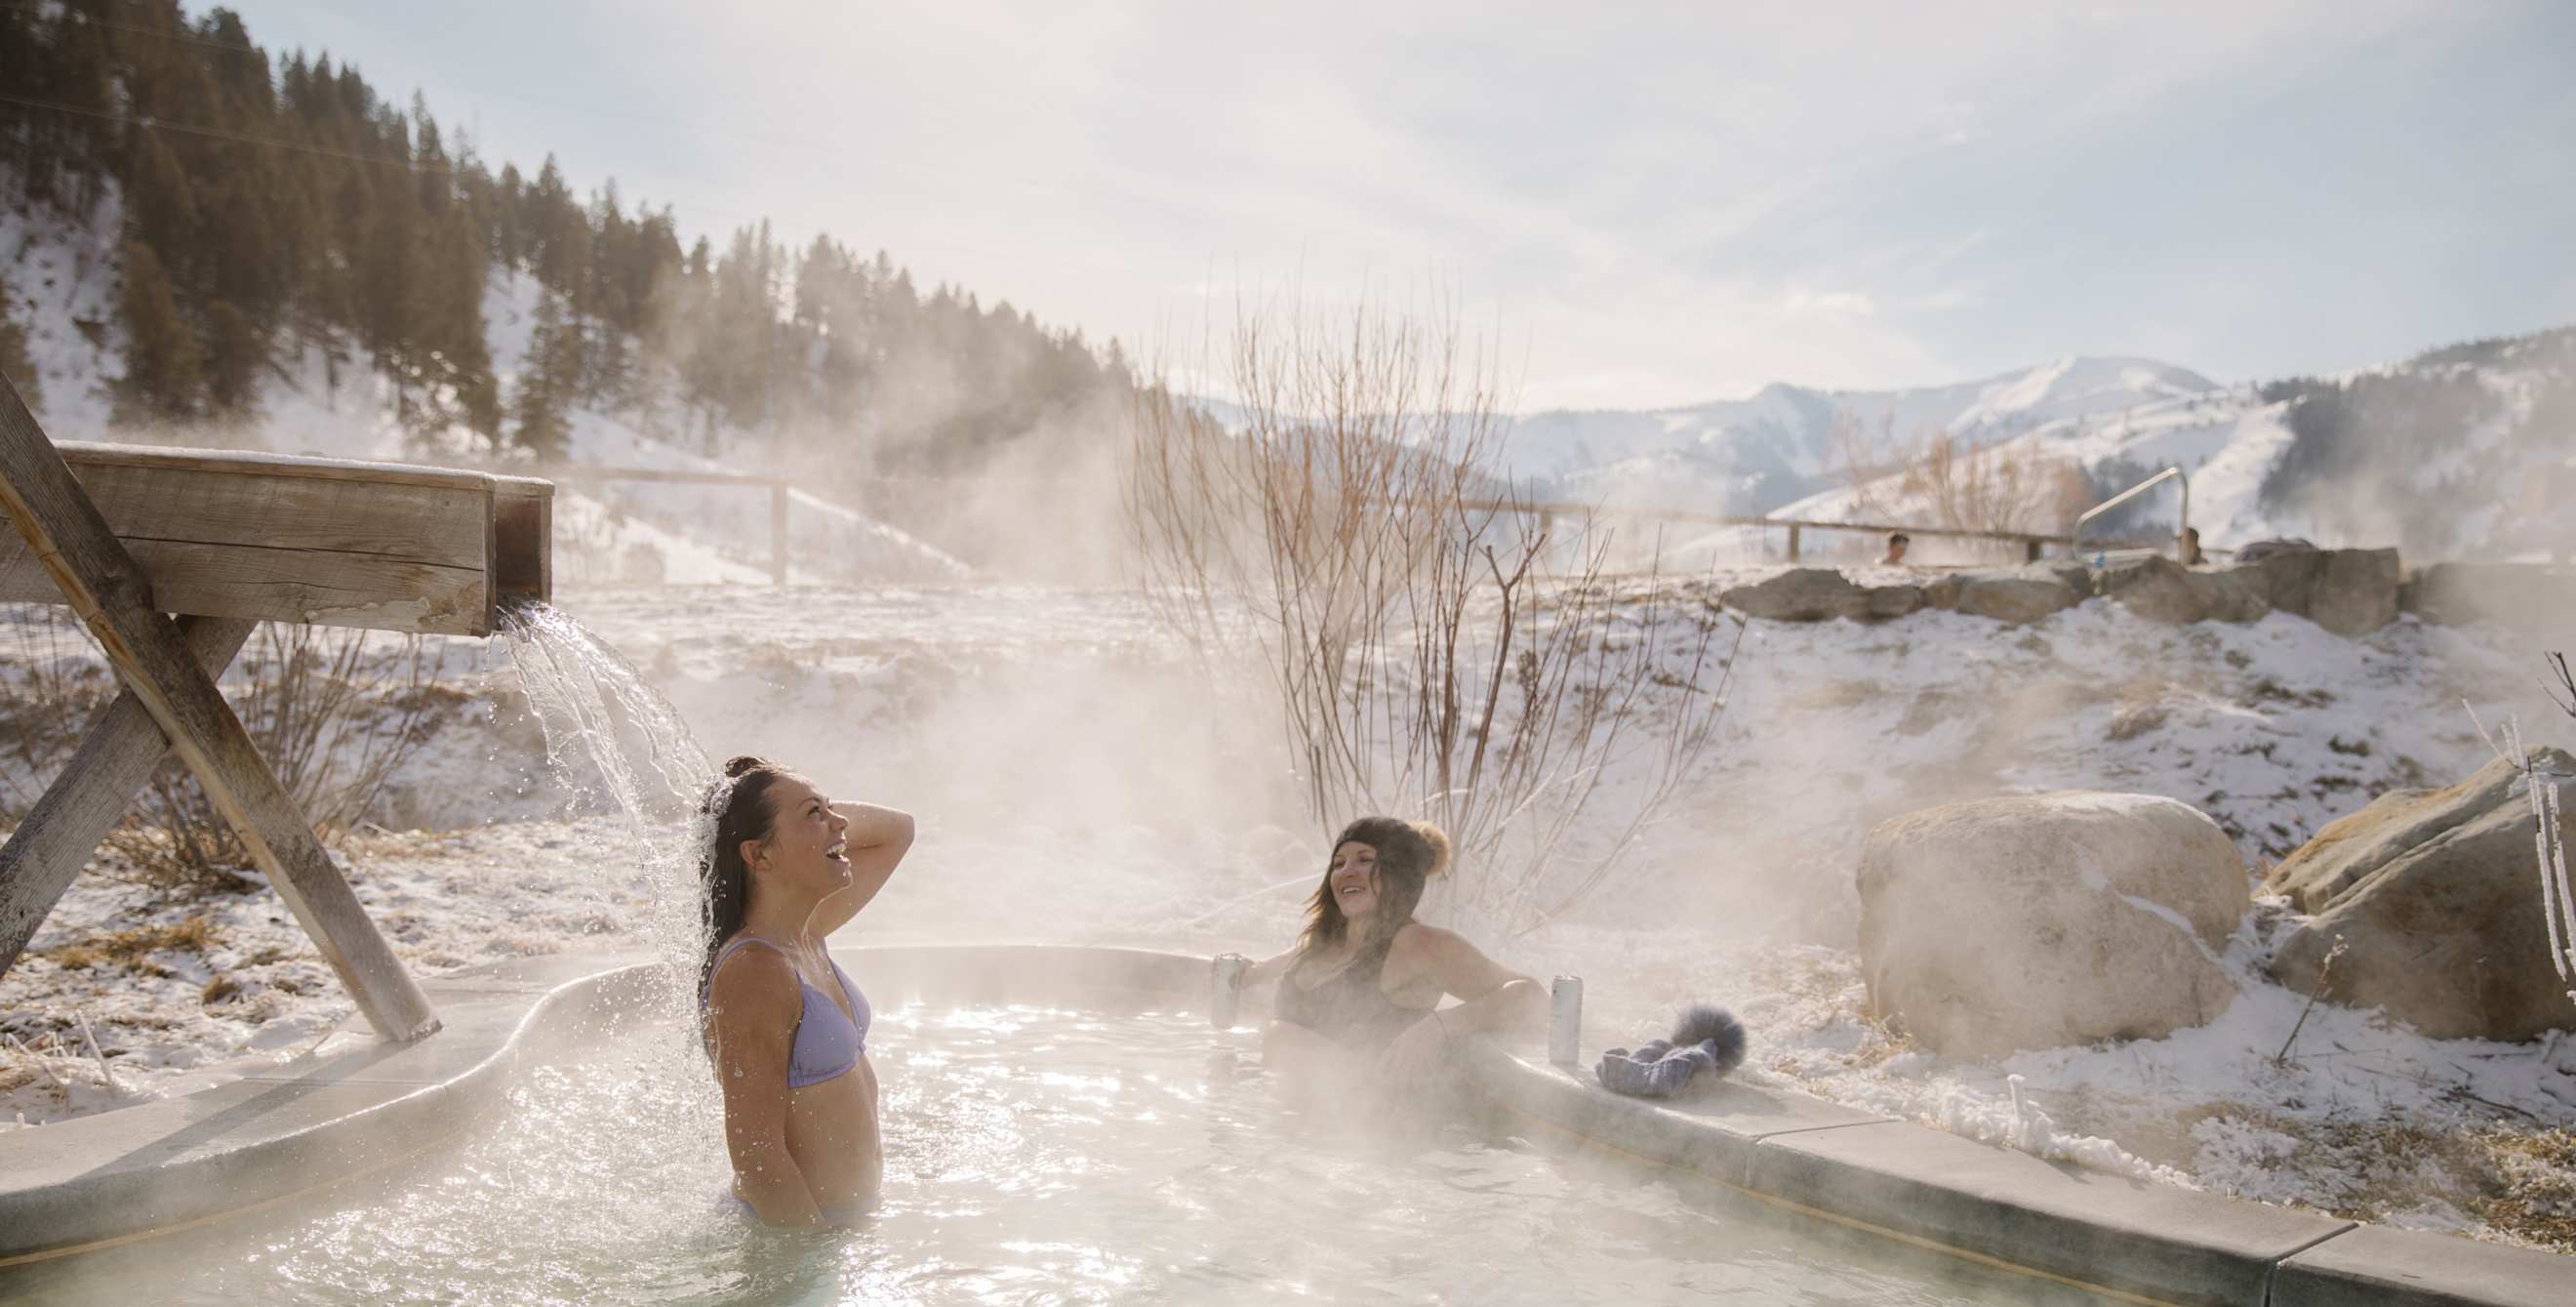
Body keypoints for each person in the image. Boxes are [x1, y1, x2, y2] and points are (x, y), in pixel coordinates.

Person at [698, 756, 915, 1226]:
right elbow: (758, 1158)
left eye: (833, 809)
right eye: (815, 814)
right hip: (792, 1239)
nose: (841, 823)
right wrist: (813, 1265)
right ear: (758, 855)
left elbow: (899, 830)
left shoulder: (805, 932)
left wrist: (819, 819)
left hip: (841, 1226)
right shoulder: (755, 972)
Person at [1235, 817, 1544, 1108]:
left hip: (1364, 1132)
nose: (1347, 871)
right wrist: (1247, 975)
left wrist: (1439, 1027)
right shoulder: (1324, 944)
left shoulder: (1417, 945)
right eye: (1339, 863)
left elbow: (1532, 998)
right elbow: (1267, 972)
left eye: (1365, 860)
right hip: (1285, 1120)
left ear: (1398, 874)